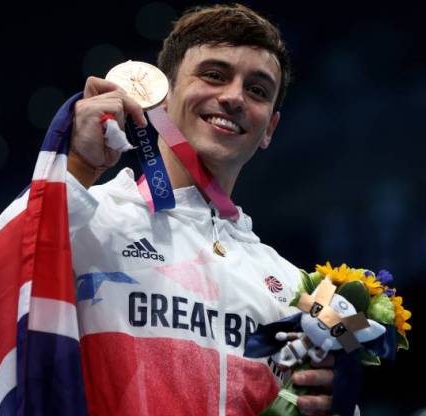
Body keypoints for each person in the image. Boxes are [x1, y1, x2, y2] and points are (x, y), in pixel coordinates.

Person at [59, 3, 339, 415]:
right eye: (214, 75)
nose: (233, 98)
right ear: (162, 96)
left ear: (269, 130)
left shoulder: (290, 284)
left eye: (257, 90)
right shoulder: (87, 220)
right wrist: (75, 171)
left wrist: (336, 400)